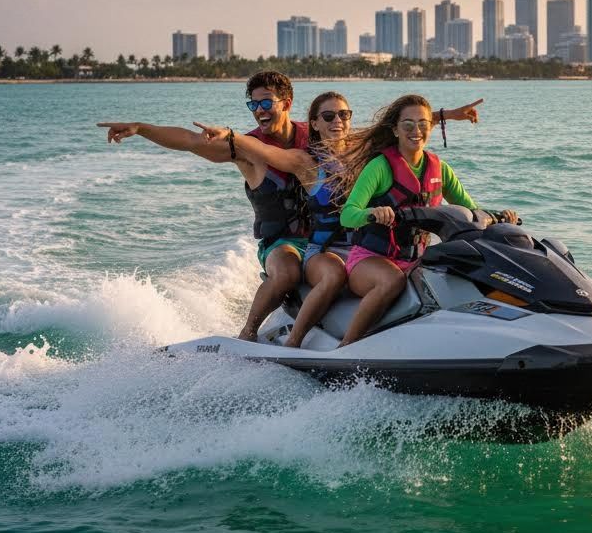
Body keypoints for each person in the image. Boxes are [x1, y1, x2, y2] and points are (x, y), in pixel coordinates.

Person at [96, 72, 483, 341]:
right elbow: (193, 142)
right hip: (283, 240)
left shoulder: (324, 134)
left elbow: (392, 129)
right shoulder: (257, 149)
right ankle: (250, 332)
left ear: (287, 104)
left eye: (266, 102)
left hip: (335, 237)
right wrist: (143, 128)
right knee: (288, 272)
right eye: (253, 104)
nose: (259, 110)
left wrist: (447, 116)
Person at [336, 94, 517, 348]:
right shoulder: (380, 167)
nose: (416, 131)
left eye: (423, 124)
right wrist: (373, 213)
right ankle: (346, 346)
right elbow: (347, 215)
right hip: (369, 260)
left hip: (416, 261)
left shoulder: (439, 169)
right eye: (408, 124)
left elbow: (471, 211)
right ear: (395, 130)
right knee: (392, 280)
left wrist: (498, 217)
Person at [194, 90, 353, 348]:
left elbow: (397, 130)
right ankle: (258, 334)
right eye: (328, 116)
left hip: (349, 245)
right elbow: (263, 150)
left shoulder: (361, 152)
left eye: (344, 115)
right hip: (304, 245)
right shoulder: (305, 161)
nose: (337, 121)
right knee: (293, 274)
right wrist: (231, 136)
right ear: (315, 123)